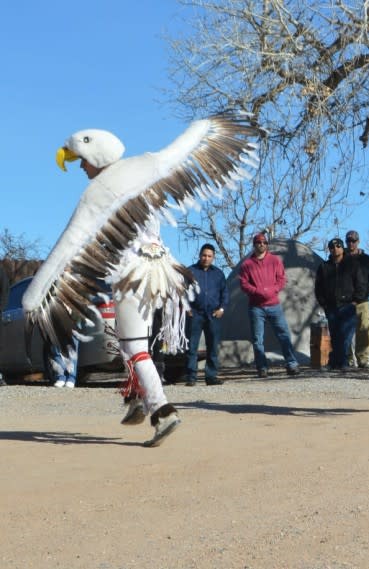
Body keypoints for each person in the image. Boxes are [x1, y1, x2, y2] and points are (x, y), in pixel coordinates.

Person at [24, 112, 258, 447]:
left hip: (132, 277)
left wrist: (34, 298)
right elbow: (197, 140)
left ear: (94, 157)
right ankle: (136, 399)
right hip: (164, 274)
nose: (81, 168)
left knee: (134, 347)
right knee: (131, 340)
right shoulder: (149, 164)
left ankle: (162, 410)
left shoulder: (97, 194)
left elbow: (66, 248)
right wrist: (214, 124)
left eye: (82, 161)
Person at [239, 233, 301, 378]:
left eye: (264, 242)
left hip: (274, 305)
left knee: (284, 335)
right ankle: (262, 367)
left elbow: (281, 279)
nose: (261, 244)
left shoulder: (275, 261)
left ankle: (292, 364)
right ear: (254, 245)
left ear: (267, 244)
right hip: (256, 307)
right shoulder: (247, 265)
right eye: (258, 242)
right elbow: (243, 284)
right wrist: (257, 291)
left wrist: (272, 290)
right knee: (257, 339)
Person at [315, 237, 366, 370]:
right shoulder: (324, 267)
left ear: (342, 248)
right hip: (331, 306)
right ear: (329, 250)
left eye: (338, 246)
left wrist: (356, 301)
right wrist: (324, 304)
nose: (335, 249)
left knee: (346, 335)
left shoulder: (352, 265)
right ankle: (335, 362)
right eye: (332, 247)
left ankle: (342, 362)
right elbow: (318, 288)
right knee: (335, 335)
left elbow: (361, 284)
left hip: (348, 305)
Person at [185, 243, 228, 386]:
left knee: (213, 346)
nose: (206, 258)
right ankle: (191, 377)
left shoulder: (219, 274)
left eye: (209, 256)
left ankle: (211, 376)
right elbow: (181, 291)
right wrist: (186, 308)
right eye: (204, 255)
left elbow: (225, 293)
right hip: (195, 314)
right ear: (199, 255)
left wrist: (222, 309)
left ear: (213, 257)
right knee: (192, 347)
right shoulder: (190, 271)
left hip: (213, 315)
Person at [345, 230, 369, 368]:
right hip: (345, 301)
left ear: (358, 241)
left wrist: (365, 293)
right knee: (345, 331)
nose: (351, 243)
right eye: (349, 241)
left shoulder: (366, 259)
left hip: (363, 301)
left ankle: (362, 358)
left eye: (353, 241)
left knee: (363, 330)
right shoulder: (341, 259)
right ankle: (347, 359)